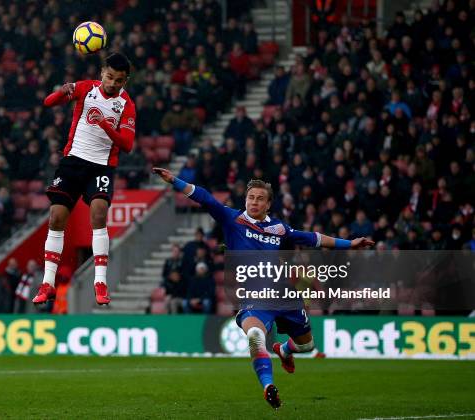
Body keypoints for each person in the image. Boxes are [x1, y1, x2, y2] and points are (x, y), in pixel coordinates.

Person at [153, 167, 373, 409]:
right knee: (255, 337)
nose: (254, 202)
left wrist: (349, 244)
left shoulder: (280, 228)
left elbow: (314, 238)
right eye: (250, 197)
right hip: (255, 297)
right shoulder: (232, 219)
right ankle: (268, 386)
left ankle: (284, 350)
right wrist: (175, 181)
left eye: (259, 198)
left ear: (268, 205)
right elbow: (204, 197)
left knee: (306, 345)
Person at [33, 52, 136, 307]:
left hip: (101, 166)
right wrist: (62, 91)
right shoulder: (85, 89)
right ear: (102, 72)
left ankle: (100, 282)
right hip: (73, 161)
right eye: (110, 77)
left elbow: (127, 144)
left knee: (99, 212)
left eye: (119, 80)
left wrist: (105, 124)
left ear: (126, 81)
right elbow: (48, 102)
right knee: (57, 216)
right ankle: (48, 283)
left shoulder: (127, 105)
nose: (113, 83)